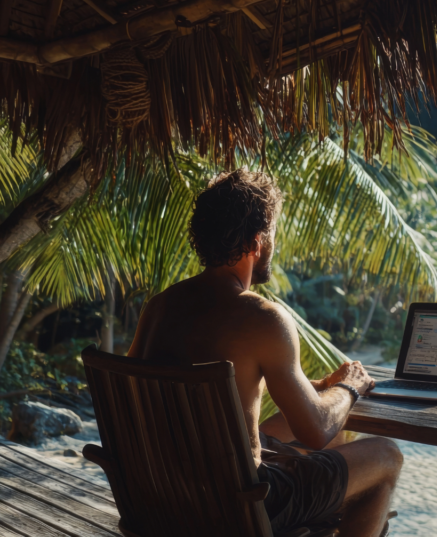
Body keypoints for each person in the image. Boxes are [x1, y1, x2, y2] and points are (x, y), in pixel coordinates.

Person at [128, 169, 401, 537]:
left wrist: (322, 387)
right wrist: (350, 386)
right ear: (258, 241)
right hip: (238, 506)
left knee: (327, 436)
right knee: (385, 458)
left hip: (163, 498)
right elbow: (317, 430)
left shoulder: (159, 308)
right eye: (273, 234)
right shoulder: (262, 317)